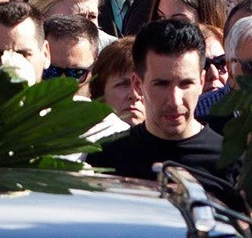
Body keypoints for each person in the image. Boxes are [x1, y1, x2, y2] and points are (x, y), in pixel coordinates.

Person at [86, 17, 234, 204]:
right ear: (138, 84)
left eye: (186, 84)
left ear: (202, 81)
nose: (174, 100)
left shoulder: (231, 162)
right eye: (162, 84)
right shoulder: (106, 157)